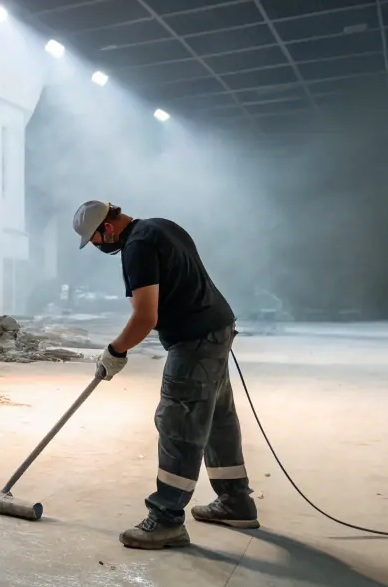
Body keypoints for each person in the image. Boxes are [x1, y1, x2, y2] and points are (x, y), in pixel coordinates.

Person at [72, 201, 257, 549]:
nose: (97, 246)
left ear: (107, 228)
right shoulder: (160, 226)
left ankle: (167, 519)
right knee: (217, 418)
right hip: (217, 328)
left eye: (94, 239)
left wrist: (115, 351)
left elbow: (145, 316)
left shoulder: (137, 246)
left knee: (178, 423)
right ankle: (235, 501)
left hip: (194, 340)